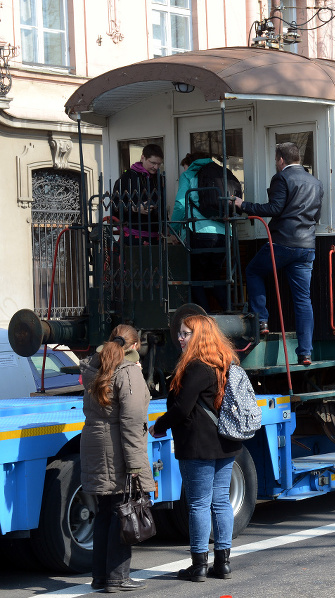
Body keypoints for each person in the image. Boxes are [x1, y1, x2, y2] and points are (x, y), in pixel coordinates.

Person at [149, 315, 241, 582]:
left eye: (186, 333)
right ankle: (223, 563)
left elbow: (182, 408)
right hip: (226, 442)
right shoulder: (225, 362)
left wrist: (159, 425)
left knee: (200, 503)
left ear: (199, 336)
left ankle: (198, 564)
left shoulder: (196, 367)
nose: (180, 337)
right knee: (221, 500)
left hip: (199, 445)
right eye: (180, 333)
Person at [233, 142, 322, 366]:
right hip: (307, 246)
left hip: (283, 242)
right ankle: (305, 353)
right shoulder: (316, 182)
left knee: (253, 271)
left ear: (281, 159)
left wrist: (243, 205)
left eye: (275, 159)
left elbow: (274, 209)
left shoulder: (281, 178)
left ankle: (262, 320)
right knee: (303, 299)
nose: (275, 163)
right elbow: (316, 216)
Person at [80, 325, 153, 593]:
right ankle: (117, 577)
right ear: (134, 346)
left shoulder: (94, 367)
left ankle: (100, 578)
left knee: (105, 514)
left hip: (94, 444)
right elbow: (132, 424)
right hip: (118, 450)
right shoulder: (129, 371)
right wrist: (136, 466)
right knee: (125, 513)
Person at [170, 153, 235, 311]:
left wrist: (173, 229)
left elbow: (180, 204)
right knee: (214, 277)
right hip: (225, 234)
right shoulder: (223, 172)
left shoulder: (190, 174)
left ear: (191, 164)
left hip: (200, 232)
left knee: (195, 279)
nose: (184, 171)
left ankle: (203, 320)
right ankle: (230, 311)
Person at [113, 144, 164, 244]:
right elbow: (115, 207)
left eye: (159, 164)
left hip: (155, 234)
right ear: (143, 158)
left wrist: (164, 224)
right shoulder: (127, 177)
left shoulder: (159, 178)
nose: (156, 167)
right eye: (153, 163)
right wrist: (134, 208)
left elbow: (162, 203)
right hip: (133, 235)